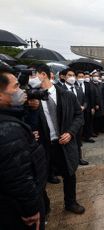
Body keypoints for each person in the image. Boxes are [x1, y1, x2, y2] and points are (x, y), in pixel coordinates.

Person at [0, 65, 47, 229]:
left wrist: (31, 110)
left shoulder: (12, 115)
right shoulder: (8, 129)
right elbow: (18, 177)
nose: (22, 91)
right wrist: (31, 209)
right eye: (16, 87)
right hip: (19, 210)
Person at [36, 64, 85, 214]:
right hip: (42, 146)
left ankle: (70, 202)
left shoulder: (66, 95)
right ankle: (44, 206)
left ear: (43, 74)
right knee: (40, 179)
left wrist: (70, 132)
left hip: (64, 142)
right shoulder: (30, 99)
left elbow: (79, 115)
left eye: (33, 75)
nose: (30, 79)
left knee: (69, 174)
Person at [64, 68, 89, 166]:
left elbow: (85, 100)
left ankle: (79, 158)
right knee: (69, 141)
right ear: (64, 77)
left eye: (73, 75)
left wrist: (84, 106)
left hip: (78, 119)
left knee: (78, 140)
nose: (72, 77)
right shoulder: (61, 90)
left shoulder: (78, 88)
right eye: (69, 75)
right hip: (68, 120)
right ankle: (68, 160)